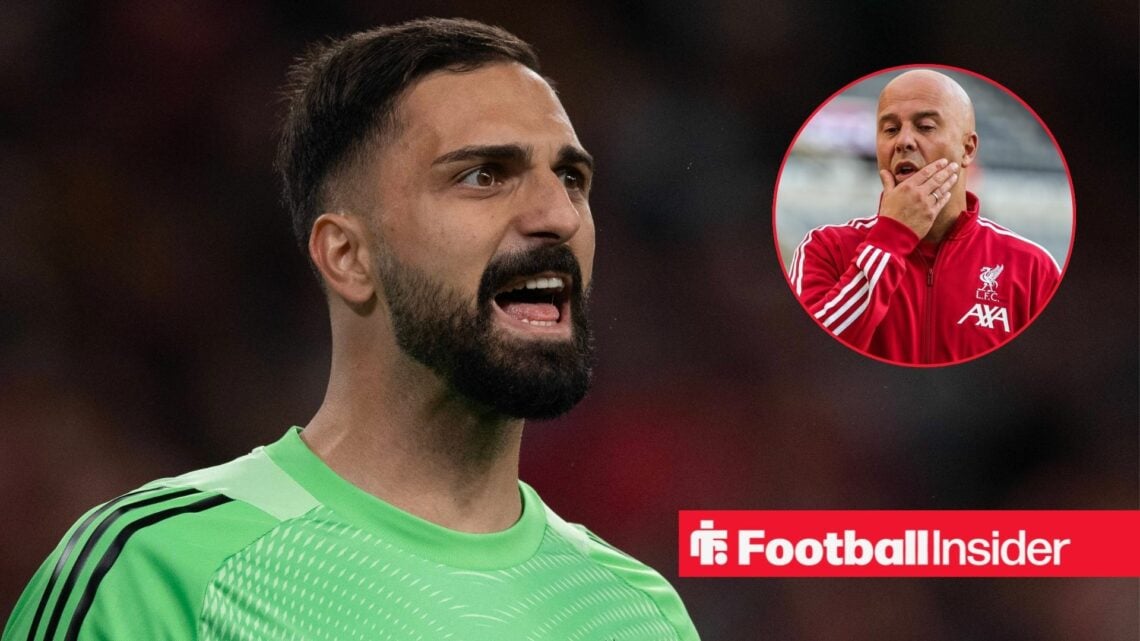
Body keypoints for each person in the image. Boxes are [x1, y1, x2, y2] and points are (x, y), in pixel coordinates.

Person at [3, 18, 699, 640]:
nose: (560, 215)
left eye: (572, 178)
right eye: (485, 175)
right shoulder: (158, 570)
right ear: (348, 255)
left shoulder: (637, 611)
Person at [788, 69, 1062, 365]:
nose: (904, 141)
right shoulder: (825, 248)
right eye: (890, 130)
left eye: (926, 126)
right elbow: (812, 359)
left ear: (967, 149)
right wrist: (891, 237)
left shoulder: (1033, 269)